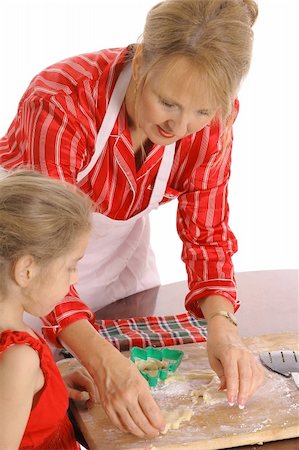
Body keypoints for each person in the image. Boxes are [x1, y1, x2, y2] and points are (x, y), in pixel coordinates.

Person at [0, 0, 265, 439]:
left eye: (201, 112)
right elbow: (46, 248)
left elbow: (207, 233)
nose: (181, 127)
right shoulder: (63, 100)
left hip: (118, 255)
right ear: (141, 61)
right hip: (28, 256)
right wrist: (99, 360)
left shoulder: (213, 119)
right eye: (168, 103)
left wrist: (222, 326)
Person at [0, 170, 98, 449]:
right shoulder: (19, 359)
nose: (75, 278)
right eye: (71, 266)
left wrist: (49, 390)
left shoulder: (15, 335)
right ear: (26, 271)